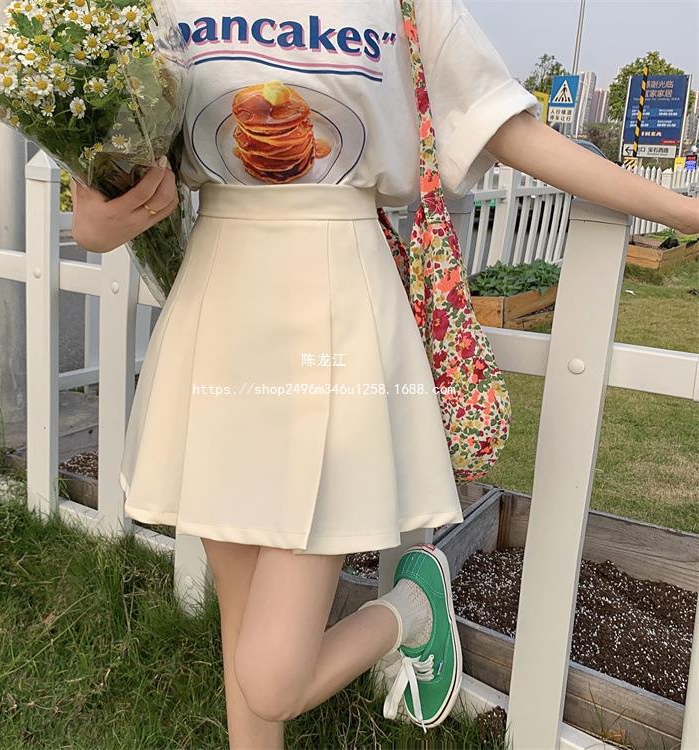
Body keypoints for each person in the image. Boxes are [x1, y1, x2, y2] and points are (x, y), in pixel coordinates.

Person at [70, 1, 699, 747]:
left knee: (271, 677)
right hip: (218, 302)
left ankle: (412, 610)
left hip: (340, 303)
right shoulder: (161, 4)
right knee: (243, 634)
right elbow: (109, 170)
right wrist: (99, 216)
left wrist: (681, 210)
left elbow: (502, 123)